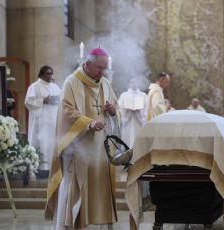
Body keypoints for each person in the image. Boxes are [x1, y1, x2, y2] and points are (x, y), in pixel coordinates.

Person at [45, 47, 120, 229]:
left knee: (99, 186)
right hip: (76, 146)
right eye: (99, 68)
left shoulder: (105, 84)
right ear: (86, 64)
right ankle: (63, 224)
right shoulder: (72, 82)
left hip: (100, 148)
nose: (102, 72)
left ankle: (100, 224)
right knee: (71, 185)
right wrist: (88, 123)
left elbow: (115, 108)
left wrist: (112, 111)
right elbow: (66, 110)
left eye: (104, 68)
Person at [25, 65, 61, 177]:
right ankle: (42, 168)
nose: (50, 75)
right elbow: (28, 102)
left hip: (54, 119)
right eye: (47, 73)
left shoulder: (55, 87)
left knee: (53, 143)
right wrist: (42, 101)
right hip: (41, 120)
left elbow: (62, 100)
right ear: (41, 74)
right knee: (43, 142)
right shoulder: (35, 86)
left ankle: (53, 167)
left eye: (51, 73)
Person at [118, 78, 148, 147]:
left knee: (138, 142)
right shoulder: (124, 95)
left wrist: (141, 112)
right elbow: (119, 108)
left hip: (139, 121)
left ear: (138, 83)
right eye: (132, 82)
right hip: (127, 121)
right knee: (127, 141)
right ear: (129, 84)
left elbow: (147, 108)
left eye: (136, 82)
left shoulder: (143, 95)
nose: (134, 84)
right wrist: (126, 111)